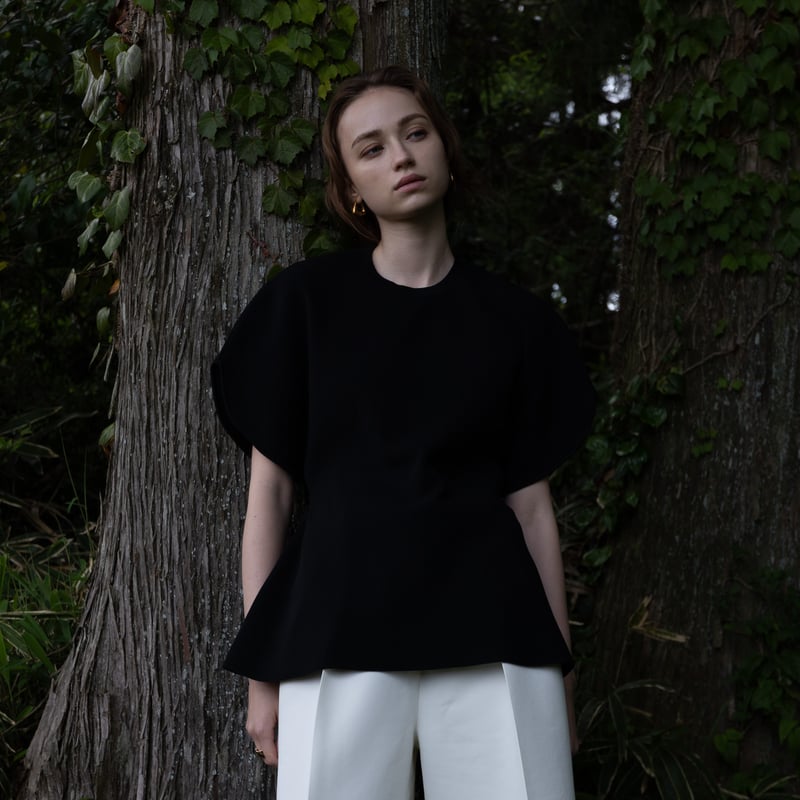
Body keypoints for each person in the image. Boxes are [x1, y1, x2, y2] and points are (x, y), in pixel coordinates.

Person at [211, 65, 595, 800]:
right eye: (372, 148)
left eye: (415, 133)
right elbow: (270, 498)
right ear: (351, 187)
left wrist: (562, 678)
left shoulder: (517, 323)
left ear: (445, 149)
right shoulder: (303, 307)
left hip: (497, 633)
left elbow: (533, 510)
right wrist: (263, 676)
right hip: (334, 633)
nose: (401, 156)